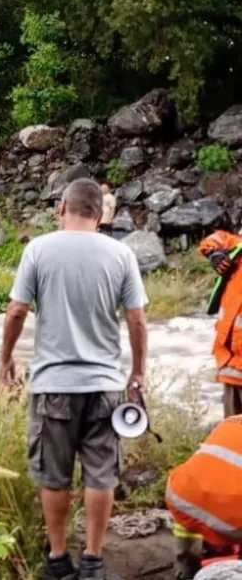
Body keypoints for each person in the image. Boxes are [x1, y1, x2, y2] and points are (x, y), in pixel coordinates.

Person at [0, 178, 149, 580]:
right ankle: (94, 561)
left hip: (53, 385)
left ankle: (59, 559)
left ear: (62, 207)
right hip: (104, 385)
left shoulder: (38, 249)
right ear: (100, 214)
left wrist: (5, 362)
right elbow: (136, 318)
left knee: (54, 474)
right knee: (102, 473)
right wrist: (137, 373)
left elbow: (16, 312)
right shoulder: (121, 254)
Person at [165, 416, 242, 579]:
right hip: (231, 520)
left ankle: (184, 567)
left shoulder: (232, 421)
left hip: (180, 499)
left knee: (194, 496)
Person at [197, 230, 242, 417]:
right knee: (231, 437)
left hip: (234, 364)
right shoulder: (237, 248)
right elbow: (214, 240)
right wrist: (214, 255)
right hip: (232, 366)